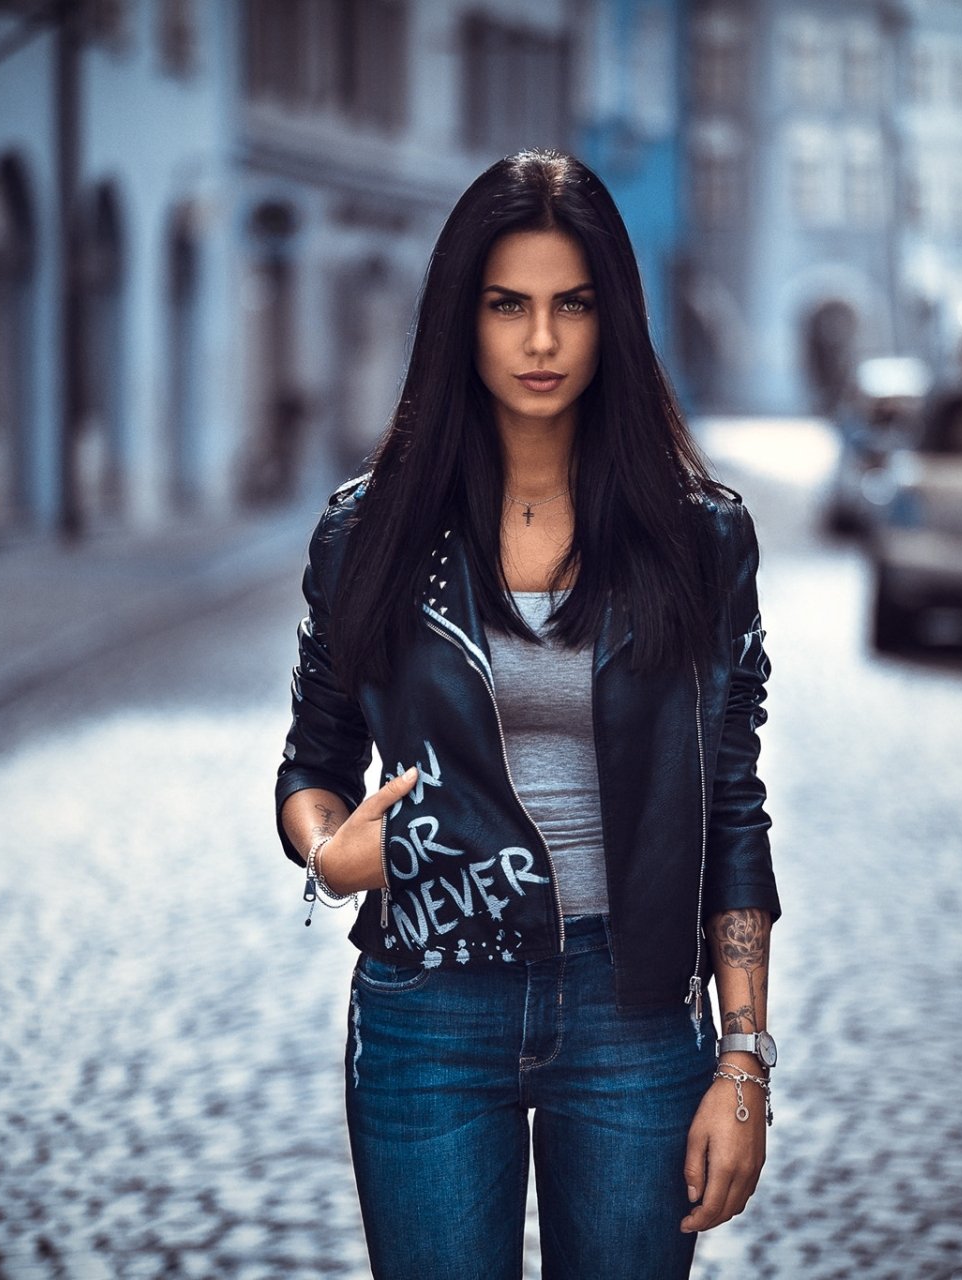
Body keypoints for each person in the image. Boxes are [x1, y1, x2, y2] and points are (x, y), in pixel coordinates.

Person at [272, 149, 780, 1280]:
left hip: (635, 1009)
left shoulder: (698, 538)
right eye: (509, 306)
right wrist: (329, 850)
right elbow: (310, 761)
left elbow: (732, 802)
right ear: (464, 318)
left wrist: (742, 1057)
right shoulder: (367, 536)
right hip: (428, 999)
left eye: (572, 306)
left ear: (615, 320)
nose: (541, 341)